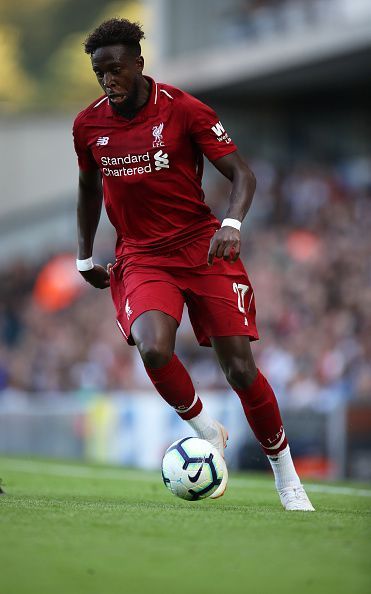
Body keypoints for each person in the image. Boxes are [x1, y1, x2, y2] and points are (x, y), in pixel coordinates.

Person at [73, 17, 314, 511]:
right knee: (153, 349)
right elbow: (88, 186)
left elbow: (242, 174)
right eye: (100, 73)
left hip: (203, 246)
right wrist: (83, 254)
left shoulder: (184, 109)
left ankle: (287, 476)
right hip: (141, 255)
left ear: (139, 64)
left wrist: (233, 225)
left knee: (240, 369)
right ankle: (205, 429)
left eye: (116, 70)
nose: (109, 81)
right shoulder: (88, 125)